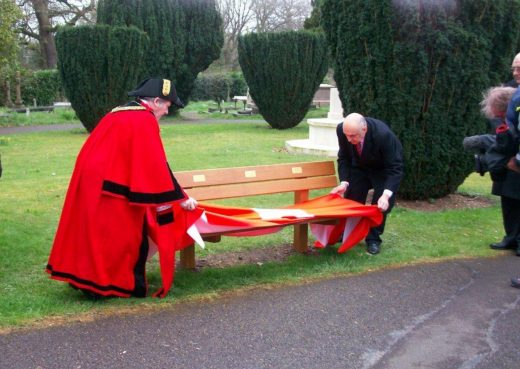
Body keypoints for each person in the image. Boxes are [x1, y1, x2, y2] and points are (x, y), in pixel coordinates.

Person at [46, 78, 199, 299]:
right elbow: (156, 164)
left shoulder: (120, 112)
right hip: (110, 183)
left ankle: (86, 280)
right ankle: (106, 284)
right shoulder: (144, 119)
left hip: (95, 177)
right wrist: (181, 198)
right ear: (156, 101)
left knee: (92, 231)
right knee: (118, 235)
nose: (167, 111)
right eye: (167, 105)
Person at [330, 113, 403, 255]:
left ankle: (373, 239)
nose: (349, 139)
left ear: (364, 129)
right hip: (359, 166)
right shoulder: (342, 130)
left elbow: (395, 168)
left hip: (382, 169)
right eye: (347, 135)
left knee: (379, 206)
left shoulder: (383, 135)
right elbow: (344, 157)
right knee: (352, 199)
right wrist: (344, 182)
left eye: (353, 136)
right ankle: (348, 233)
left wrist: (386, 195)